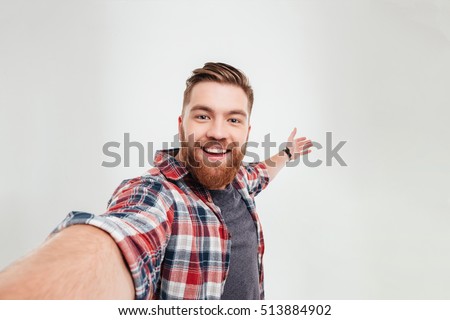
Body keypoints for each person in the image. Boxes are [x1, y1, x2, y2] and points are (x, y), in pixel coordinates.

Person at [0, 62, 312, 300]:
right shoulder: (157, 195)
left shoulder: (240, 180)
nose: (218, 131)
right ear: (181, 125)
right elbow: (123, 239)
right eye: (203, 116)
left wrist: (285, 153)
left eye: (233, 119)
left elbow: (261, 173)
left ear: (246, 131)